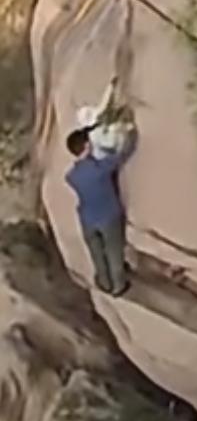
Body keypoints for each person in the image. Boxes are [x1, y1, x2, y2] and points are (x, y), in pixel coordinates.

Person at [65, 121, 137, 297]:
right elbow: (122, 155)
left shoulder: (72, 176)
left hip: (87, 219)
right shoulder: (99, 169)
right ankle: (119, 286)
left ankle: (103, 282)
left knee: (97, 253)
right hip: (108, 216)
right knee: (114, 251)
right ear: (87, 146)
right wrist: (131, 135)